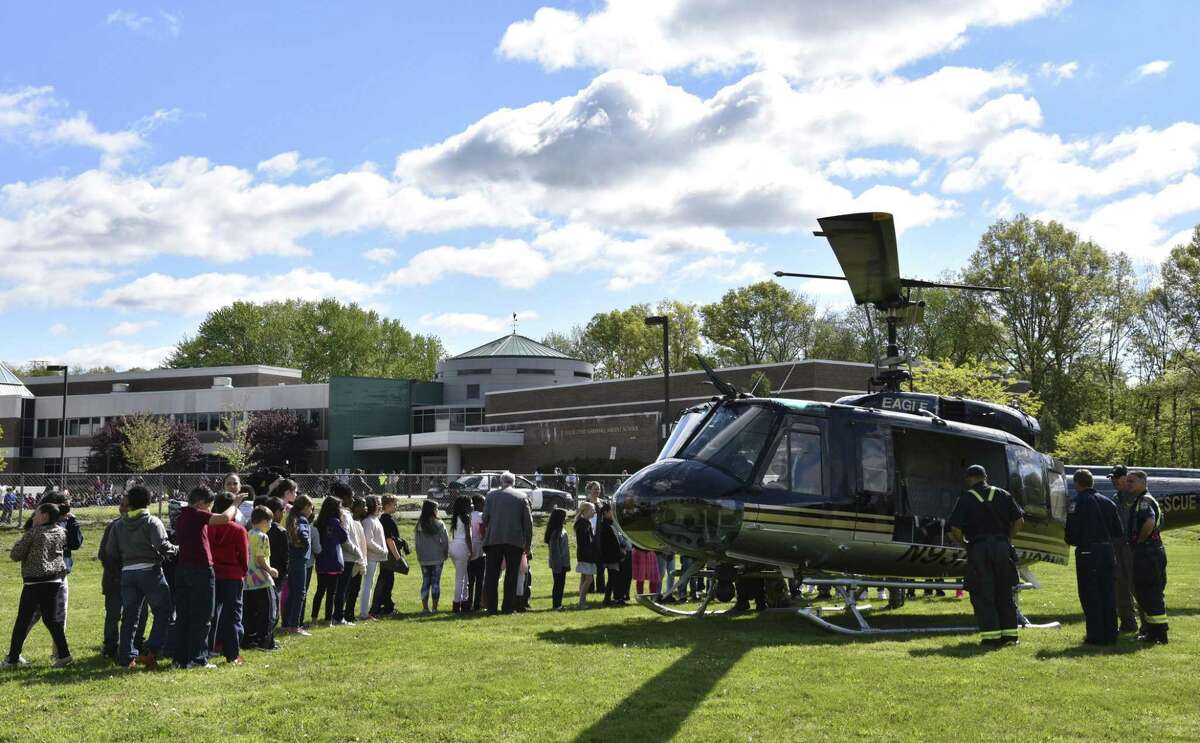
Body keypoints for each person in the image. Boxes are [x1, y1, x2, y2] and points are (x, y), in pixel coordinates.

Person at [947, 464, 1024, 647]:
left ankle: (991, 637)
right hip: (1002, 547)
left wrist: (964, 544)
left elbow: (955, 529)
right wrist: (1007, 539)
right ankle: (1010, 637)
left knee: (983, 592)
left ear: (969, 479)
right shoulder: (1003, 494)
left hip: (979, 548)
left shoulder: (966, 498)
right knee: (1004, 591)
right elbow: (1019, 521)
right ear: (985, 476)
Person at [107, 485, 177, 669]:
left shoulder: (118, 524)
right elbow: (162, 546)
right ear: (149, 501)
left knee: (130, 615)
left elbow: (110, 551)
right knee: (163, 611)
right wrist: (177, 549)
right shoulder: (152, 521)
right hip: (150, 571)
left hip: (127, 573)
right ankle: (151, 651)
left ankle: (126, 657)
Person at [173, 485, 240, 669]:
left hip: (183, 570)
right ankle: (198, 658)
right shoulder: (197, 514)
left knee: (184, 616)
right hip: (200, 570)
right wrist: (236, 502)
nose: (210, 510)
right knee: (202, 616)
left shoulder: (181, 516)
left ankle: (180, 659)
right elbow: (225, 518)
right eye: (209, 506)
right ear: (201, 503)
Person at [4, 503, 73, 668]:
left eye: (36, 514)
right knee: (52, 620)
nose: (33, 517)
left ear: (44, 516)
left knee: (23, 620)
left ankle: (12, 659)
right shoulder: (62, 532)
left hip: (34, 582)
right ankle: (64, 656)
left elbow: (15, 554)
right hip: (54, 581)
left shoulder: (34, 533)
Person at [1064, 469, 1124, 646]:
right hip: (1107, 551)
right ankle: (1111, 634)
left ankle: (1096, 635)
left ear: (1077, 484)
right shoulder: (1108, 502)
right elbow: (1118, 532)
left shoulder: (1076, 503)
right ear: (1092, 482)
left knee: (1090, 593)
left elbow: (1071, 534)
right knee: (1108, 592)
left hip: (1087, 552)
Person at [1126, 470, 1169, 644]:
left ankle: (1160, 634)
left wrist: (1140, 542)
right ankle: (1152, 632)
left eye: (1132, 481)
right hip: (1152, 551)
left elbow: (1150, 522)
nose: (1128, 484)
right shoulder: (1141, 500)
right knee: (1145, 592)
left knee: (1151, 592)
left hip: (1148, 552)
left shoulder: (1144, 501)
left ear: (1143, 483)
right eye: (1127, 481)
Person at [482, 472, 533, 615]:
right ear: (514, 482)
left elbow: (485, 518)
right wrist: (528, 545)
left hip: (493, 540)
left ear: (501, 482)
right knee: (511, 575)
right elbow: (528, 524)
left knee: (492, 575)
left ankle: (491, 608)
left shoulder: (491, 496)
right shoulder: (522, 497)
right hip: (514, 541)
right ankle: (508, 607)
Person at [98, 503, 143, 659]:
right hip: (115, 578)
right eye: (122, 505)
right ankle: (110, 646)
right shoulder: (114, 526)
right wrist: (119, 573)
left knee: (136, 614)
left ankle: (135, 643)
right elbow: (104, 554)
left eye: (127, 505)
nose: (123, 508)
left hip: (135, 577)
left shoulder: (142, 524)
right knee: (113, 614)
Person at [208, 493, 249, 665]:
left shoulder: (208, 527)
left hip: (213, 573)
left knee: (211, 614)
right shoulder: (239, 530)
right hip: (232, 574)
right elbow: (244, 556)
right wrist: (243, 571)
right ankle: (232, 654)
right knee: (233, 615)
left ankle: (208, 649)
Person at [1106, 465, 1140, 633]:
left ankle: (1149, 624)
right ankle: (1128, 623)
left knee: (1137, 584)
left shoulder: (1137, 497)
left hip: (1134, 546)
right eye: (1112, 478)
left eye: (1116, 478)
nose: (1114, 481)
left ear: (1125, 478)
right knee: (1120, 585)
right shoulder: (1115, 498)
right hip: (1118, 545)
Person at [243, 507, 279, 651]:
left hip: (248, 580)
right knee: (269, 611)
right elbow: (259, 559)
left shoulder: (247, 534)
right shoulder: (263, 536)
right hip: (262, 580)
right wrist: (270, 570)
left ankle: (250, 640)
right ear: (264, 521)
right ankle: (265, 642)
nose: (270, 525)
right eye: (270, 522)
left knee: (251, 612)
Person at [312, 495, 348, 626]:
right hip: (333, 561)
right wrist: (342, 522)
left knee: (320, 590)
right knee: (331, 592)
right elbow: (344, 538)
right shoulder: (335, 522)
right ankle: (328, 620)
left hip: (321, 561)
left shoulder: (319, 521)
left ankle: (314, 618)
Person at [281, 495, 314, 636]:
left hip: (292, 559)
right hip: (300, 560)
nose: (312, 511)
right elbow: (302, 533)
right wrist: (305, 544)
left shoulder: (291, 518)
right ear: (306, 507)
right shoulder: (302, 520)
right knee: (300, 593)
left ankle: (287, 624)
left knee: (293, 592)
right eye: (311, 508)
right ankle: (295, 626)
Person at [369, 495, 402, 617]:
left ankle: (385, 606)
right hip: (389, 555)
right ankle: (381, 607)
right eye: (394, 504)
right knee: (386, 580)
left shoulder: (384, 519)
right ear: (387, 505)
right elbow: (389, 540)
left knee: (386, 579)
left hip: (387, 554)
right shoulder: (386, 519)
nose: (396, 506)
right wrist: (398, 557)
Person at [415, 499, 449, 613]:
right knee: (435, 583)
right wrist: (445, 552)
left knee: (425, 582)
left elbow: (417, 542)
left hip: (424, 557)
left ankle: (425, 608)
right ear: (433, 510)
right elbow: (445, 540)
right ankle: (434, 608)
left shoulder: (420, 525)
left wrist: (419, 554)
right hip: (437, 557)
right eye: (437, 508)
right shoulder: (439, 523)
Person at [358, 496, 387, 621]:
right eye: (378, 504)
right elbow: (368, 541)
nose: (380, 506)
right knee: (367, 585)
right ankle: (364, 613)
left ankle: (365, 612)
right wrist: (382, 550)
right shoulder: (368, 521)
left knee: (369, 585)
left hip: (375, 557)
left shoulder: (375, 520)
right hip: (370, 557)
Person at [341, 497, 368, 625]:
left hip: (360, 559)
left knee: (355, 590)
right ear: (356, 507)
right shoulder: (350, 521)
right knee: (348, 589)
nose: (365, 508)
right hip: (353, 559)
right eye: (363, 506)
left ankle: (350, 613)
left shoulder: (359, 522)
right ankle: (343, 613)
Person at [265, 495, 289, 638]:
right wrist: (285, 573)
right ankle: (269, 635)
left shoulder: (258, 527)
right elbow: (285, 556)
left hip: (262, 571)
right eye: (283, 511)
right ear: (277, 512)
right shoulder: (280, 531)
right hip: (276, 573)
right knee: (274, 605)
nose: (284, 514)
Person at [447, 495, 474, 613]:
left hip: (453, 547)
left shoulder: (456, 517)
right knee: (460, 579)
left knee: (464, 577)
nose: (472, 505)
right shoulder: (466, 517)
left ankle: (464, 602)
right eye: (470, 503)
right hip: (462, 547)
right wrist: (471, 551)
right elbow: (468, 536)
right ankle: (457, 604)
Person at [597, 502, 627, 606]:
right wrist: (620, 554)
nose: (613, 513)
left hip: (614, 556)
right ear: (605, 513)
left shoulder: (610, 524)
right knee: (614, 578)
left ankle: (609, 598)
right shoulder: (605, 526)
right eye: (611, 511)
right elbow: (611, 544)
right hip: (611, 557)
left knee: (612, 578)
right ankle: (614, 599)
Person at [545, 507, 571, 610]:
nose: (566, 518)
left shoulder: (560, 530)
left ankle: (558, 604)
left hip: (562, 563)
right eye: (565, 516)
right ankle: (556, 605)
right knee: (558, 584)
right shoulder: (556, 532)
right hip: (559, 564)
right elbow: (555, 551)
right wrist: (558, 566)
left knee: (560, 584)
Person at [584, 481, 607, 595]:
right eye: (595, 489)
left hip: (600, 537)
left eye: (598, 489)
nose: (597, 491)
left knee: (601, 564)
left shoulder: (602, 503)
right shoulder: (586, 503)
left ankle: (601, 588)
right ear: (590, 490)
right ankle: (590, 587)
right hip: (589, 536)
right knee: (590, 564)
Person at [574, 502, 597, 608]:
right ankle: (581, 602)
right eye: (592, 510)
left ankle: (581, 600)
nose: (594, 511)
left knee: (584, 578)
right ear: (585, 511)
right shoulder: (583, 524)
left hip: (584, 554)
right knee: (589, 579)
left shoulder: (585, 522)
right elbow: (586, 541)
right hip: (586, 555)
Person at [466, 494, 486, 612]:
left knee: (469, 579)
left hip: (469, 550)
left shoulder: (468, 516)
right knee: (479, 579)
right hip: (479, 550)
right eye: (483, 503)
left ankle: (468, 603)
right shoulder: (481, 516)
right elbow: (483, 533)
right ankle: (477, 604)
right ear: (478, 504)